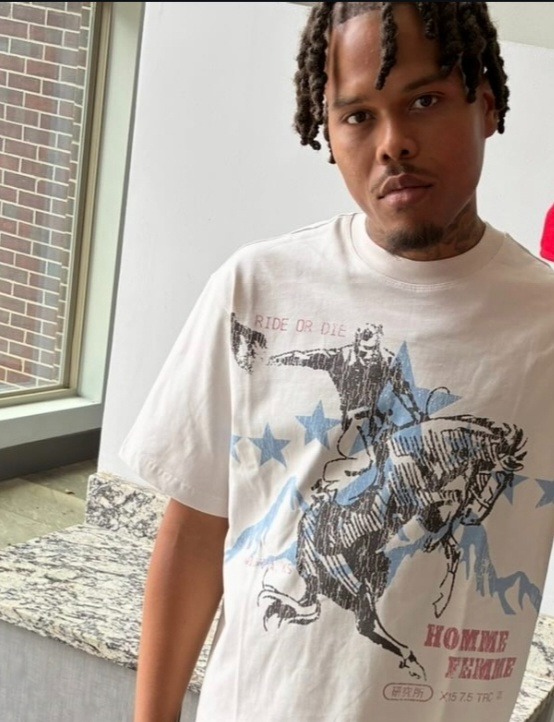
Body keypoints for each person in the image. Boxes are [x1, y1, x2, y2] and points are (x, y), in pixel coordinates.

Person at [121, 3, 554, 721]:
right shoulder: (256, 287)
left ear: (486, 104)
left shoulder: (545, 324)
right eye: (357, 116)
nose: (393, 143)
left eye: (424, 100)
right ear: (328, 131)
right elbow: (194, 532)